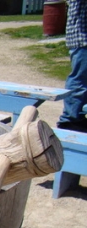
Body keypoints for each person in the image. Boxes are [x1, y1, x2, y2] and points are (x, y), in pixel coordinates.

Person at [57, 0, 87, 132]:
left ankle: (78, 116)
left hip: (80, 39)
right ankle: (69, 119)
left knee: (82, 79)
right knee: (80, 79)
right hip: (82, 39)